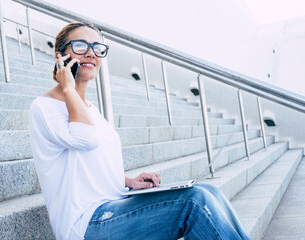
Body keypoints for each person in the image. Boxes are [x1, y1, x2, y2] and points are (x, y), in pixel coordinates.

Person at [29, 22, 251, 240]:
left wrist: (129, 181)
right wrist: (68, 87)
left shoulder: (90, 110)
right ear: (60, 55)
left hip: (114, 205)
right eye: (80, 46)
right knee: (194, 202)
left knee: (211, 193)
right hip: (84, 224)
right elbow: (86, 139)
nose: (91, 53)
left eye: (97, 48)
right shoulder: (45, 107)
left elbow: (92, 163)